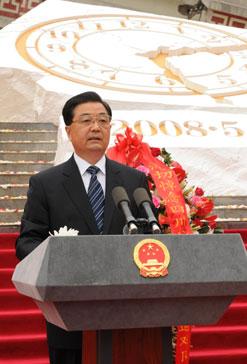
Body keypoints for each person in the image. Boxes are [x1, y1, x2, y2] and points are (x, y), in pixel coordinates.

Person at [15, 91, 154, 364]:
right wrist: (60, 258)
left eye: (103, 121)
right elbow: (27, 242)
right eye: (87, 120)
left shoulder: (133, 179)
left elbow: (151, 236)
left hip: (130, 315)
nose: (96, 127)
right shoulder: (46, 184)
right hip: (71, 315)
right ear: (69, 130)